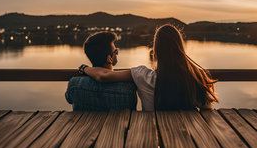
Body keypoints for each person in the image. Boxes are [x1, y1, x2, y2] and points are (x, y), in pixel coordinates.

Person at [81, 24, 218, 110]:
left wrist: (84, 69)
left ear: (156, 51)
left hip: (155, 133)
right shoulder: (196, 76)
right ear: (180, 47)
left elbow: (103, 76)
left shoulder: (143, 75)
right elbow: (207, 110)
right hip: (188, 136)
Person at [65, 31, 137, 110]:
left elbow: (69, 100)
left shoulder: (74, 83)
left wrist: (84, 68)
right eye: (116, 51)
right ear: (109, 59)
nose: (117, 54)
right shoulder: (128, 87)